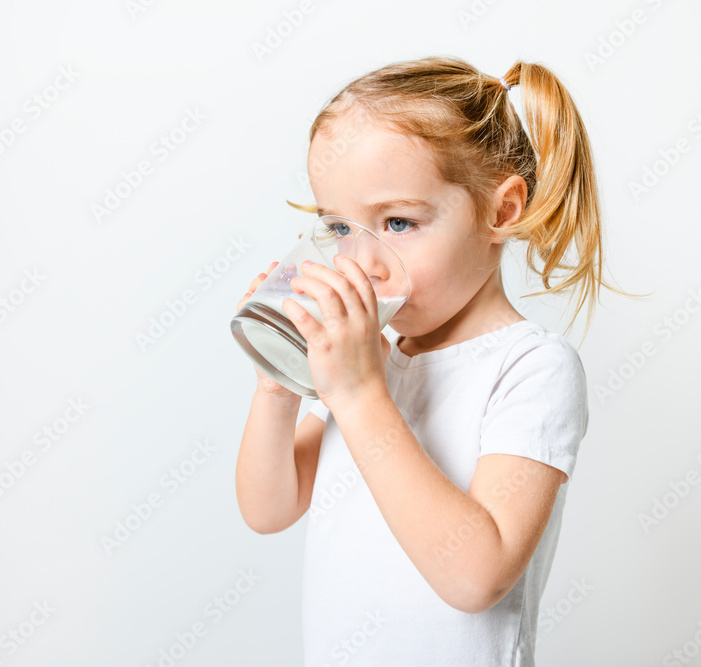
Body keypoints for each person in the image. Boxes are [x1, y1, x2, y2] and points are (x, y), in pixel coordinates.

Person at [235, 56, 641, 666]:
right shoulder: (376, 362)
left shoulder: (530, 367)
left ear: (501, 212)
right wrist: (279, 384)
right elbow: (268, 509)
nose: (363, 262)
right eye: (339, 226)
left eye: (398, 222)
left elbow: (476, 578)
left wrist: (360, 394)